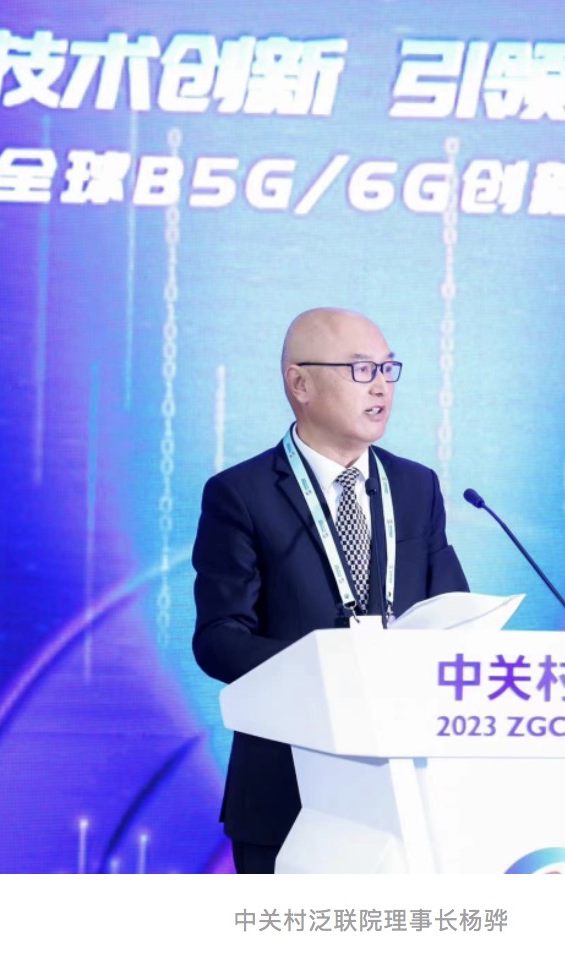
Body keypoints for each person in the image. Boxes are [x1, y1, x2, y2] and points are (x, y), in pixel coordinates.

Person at [191, 307, 469, 874]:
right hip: (286, 787)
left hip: (409, 791)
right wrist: (333, 671)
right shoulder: (240, 494)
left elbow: (453, 616)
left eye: (388, 369)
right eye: (362, 369)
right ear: (300, 383)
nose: (381, 386)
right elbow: (219, 639)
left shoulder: (416, 486)